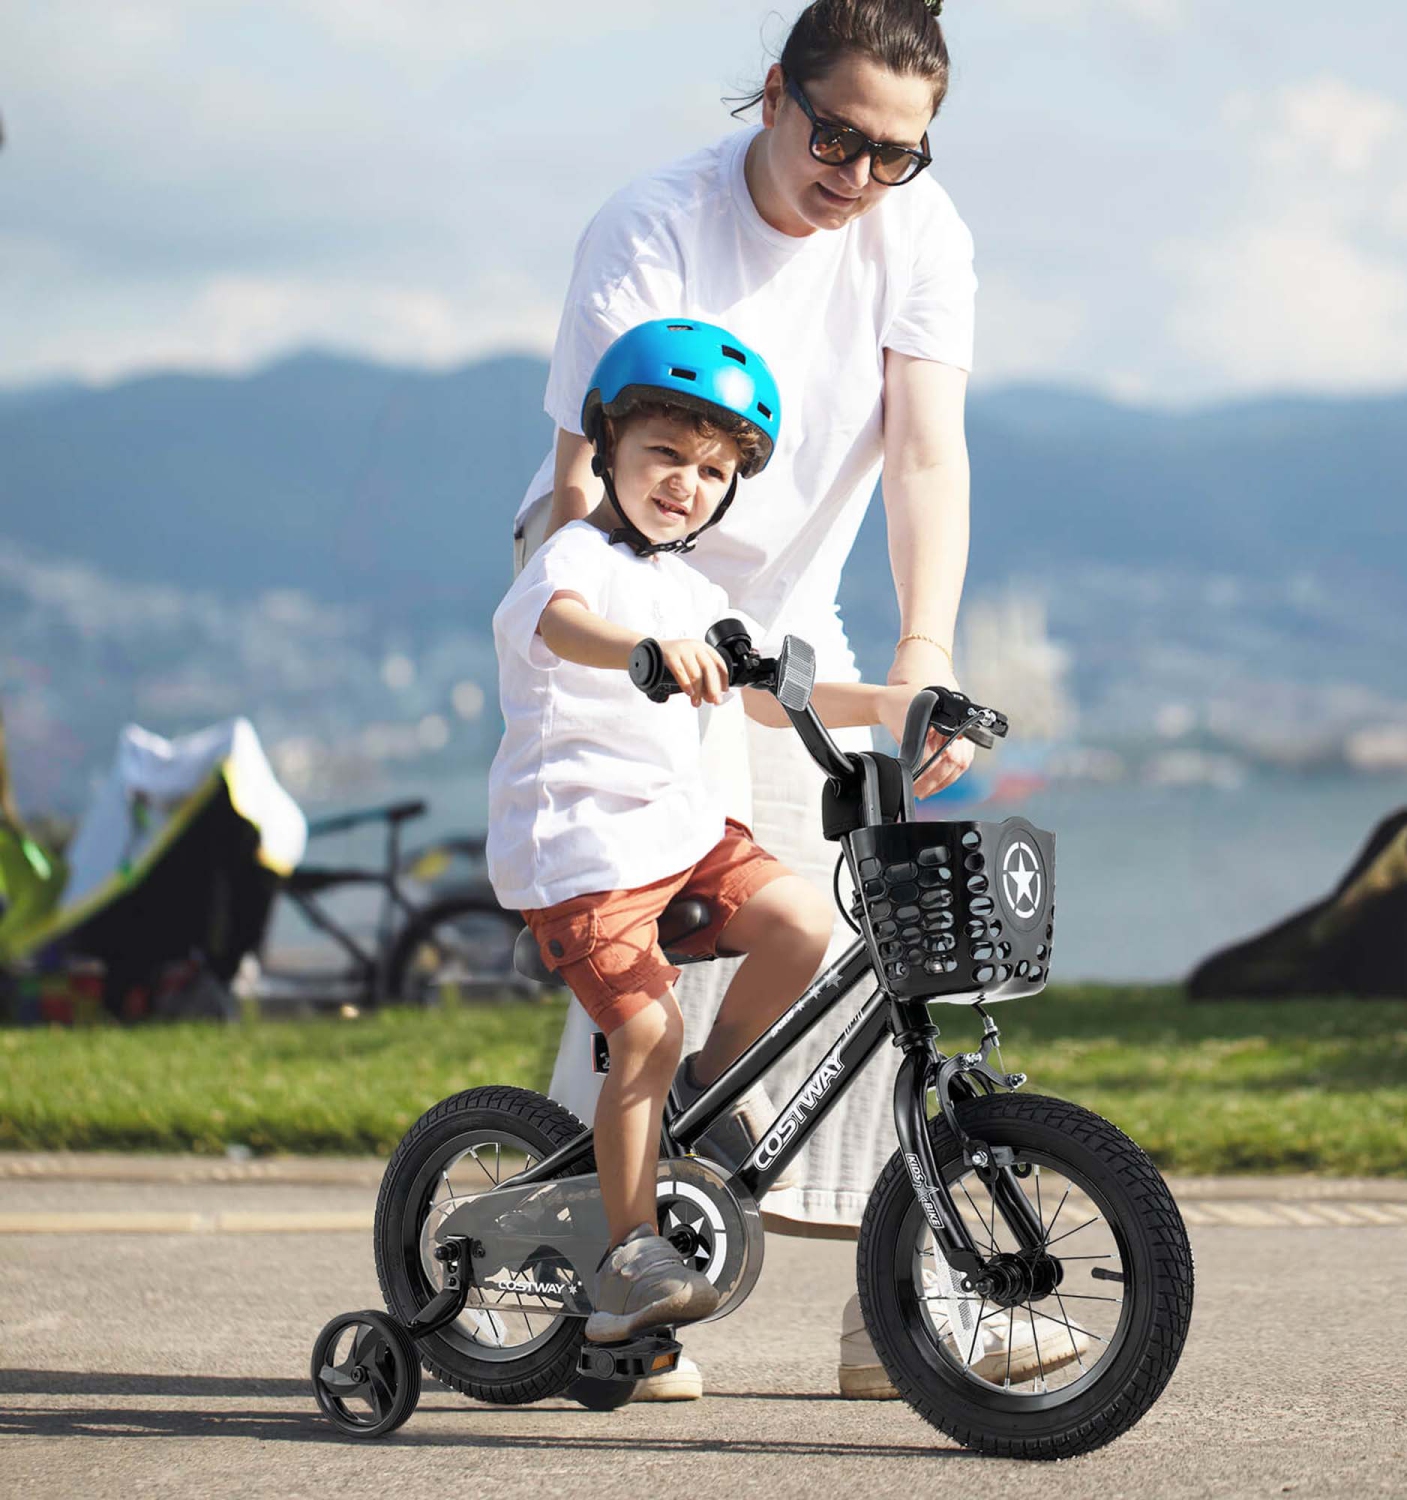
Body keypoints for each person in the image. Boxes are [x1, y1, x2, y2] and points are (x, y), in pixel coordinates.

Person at [516, 0, 983, 1398]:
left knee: (844, 927)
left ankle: (829, 1300)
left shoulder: (920, 233)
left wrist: (927, 656)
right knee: (659, 954)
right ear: (773, 94)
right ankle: (614, 1276)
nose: (859, 173)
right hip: (627, 610)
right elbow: (586, 468)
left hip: (779, 631)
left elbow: (926, 460)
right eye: (837, 134)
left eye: (897, 151)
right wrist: (615, 644)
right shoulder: (655, 222)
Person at [489, 319, 922, 1346]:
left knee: (801, 923)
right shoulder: (572, 559)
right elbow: (561, 625)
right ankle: (632, 1256)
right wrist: (644, 649)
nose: (687, 482)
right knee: (640, 1029)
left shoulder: (697, 590)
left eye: (714, 469)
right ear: (608, 452)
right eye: (666, 455)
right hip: (584, 853)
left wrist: (903, 702)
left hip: (681, 837)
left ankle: (705, 1091)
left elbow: (776, 694)